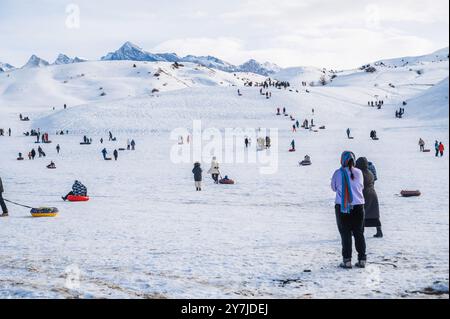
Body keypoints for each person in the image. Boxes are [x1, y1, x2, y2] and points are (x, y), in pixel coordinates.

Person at [331, 151, 367, 269]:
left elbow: (334, 188)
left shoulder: (338, 173)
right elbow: (361, 186)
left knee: (345, 234)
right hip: (359, 206)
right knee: (359, 233)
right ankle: (362, 259)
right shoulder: (359, 172)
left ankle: (347, 261)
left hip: (343, 207)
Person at [356, 157, 382, 238]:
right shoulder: (370, 172)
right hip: (372, 194)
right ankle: (379, 231)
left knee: (361, 214)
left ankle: (360, 231)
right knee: (374, 214)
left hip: (364, 194)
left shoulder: (360, 174)